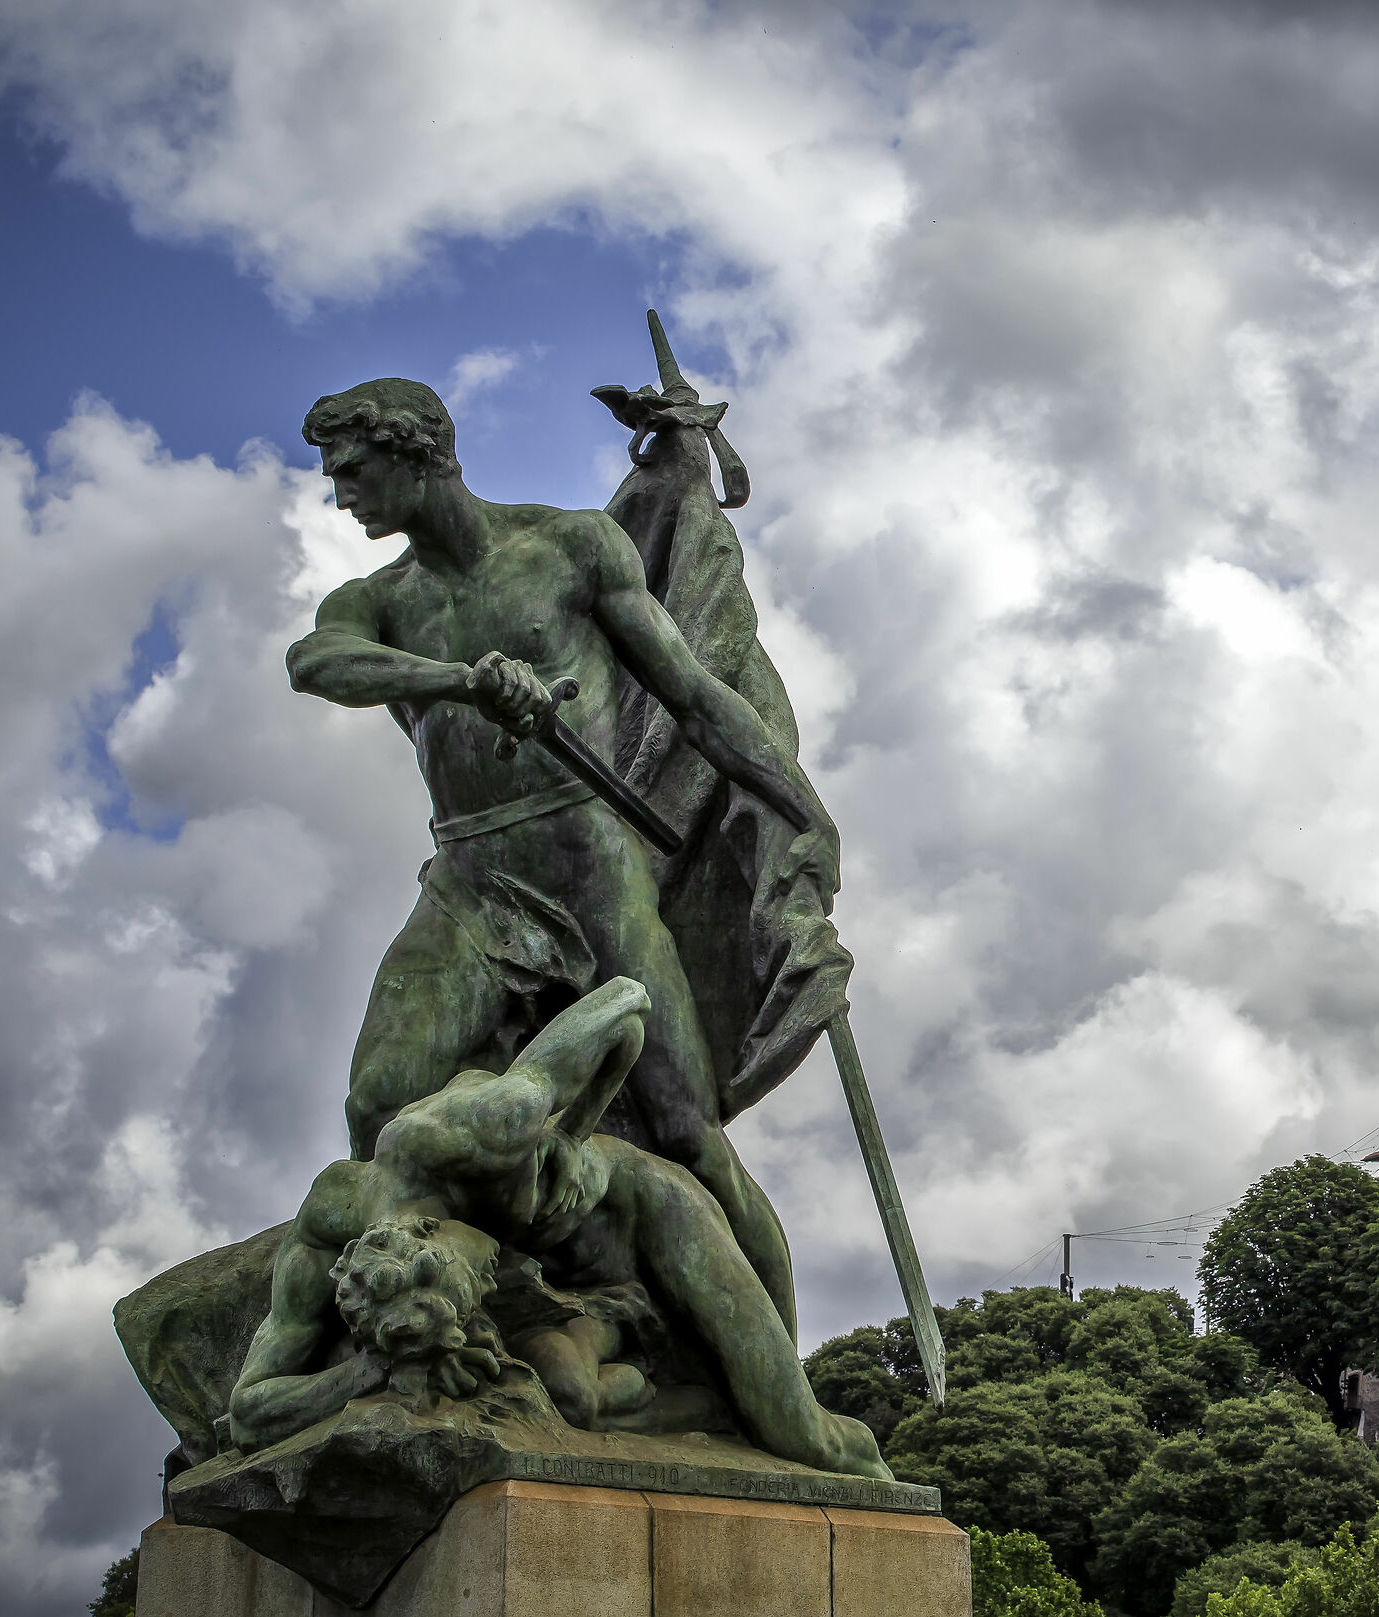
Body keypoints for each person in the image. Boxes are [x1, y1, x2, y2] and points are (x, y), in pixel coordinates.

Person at [286, 377, 831, 1336]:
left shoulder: (572, 545)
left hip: (590, 868)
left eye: (356, 470)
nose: (342, 495)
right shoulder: (378, 600)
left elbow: (696, 700)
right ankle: (491, 1302)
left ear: (421, 453)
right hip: (468, 882)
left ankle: (776, 1375)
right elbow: (316, 664)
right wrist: (464, 680)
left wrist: (799, 805)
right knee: (381, 1108)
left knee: (685, 1133)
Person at [227, 978, 889, 1481]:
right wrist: (366, 1372)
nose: (493, 1271)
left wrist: (573, 1131)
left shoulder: (481, 1128)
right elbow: (250, 1409)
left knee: (801, 1436)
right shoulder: (324, 1237)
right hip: (568, 1294)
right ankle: (652, 1384)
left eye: (475, 1273)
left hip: (643, 1216)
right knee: (565, 1392)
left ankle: (881, 1509)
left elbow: (627, 1001)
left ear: (434, 1223)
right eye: (481, 1283)